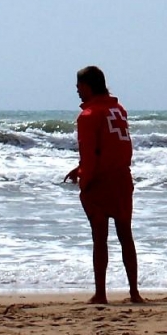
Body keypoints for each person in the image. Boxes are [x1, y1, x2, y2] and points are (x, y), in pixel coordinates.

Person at [64, 66, 143, 304]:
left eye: (79, 86)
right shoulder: (118, 110)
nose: (77, 90)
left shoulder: (88, 115)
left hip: (101, 181)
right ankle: (134, 292)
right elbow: (112, 147)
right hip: (122, 178)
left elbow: (90, 154)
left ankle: (101, 293)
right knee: (125, 235)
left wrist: (84, 181)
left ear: (87, 86)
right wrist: (79, 168)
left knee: (100, 238)